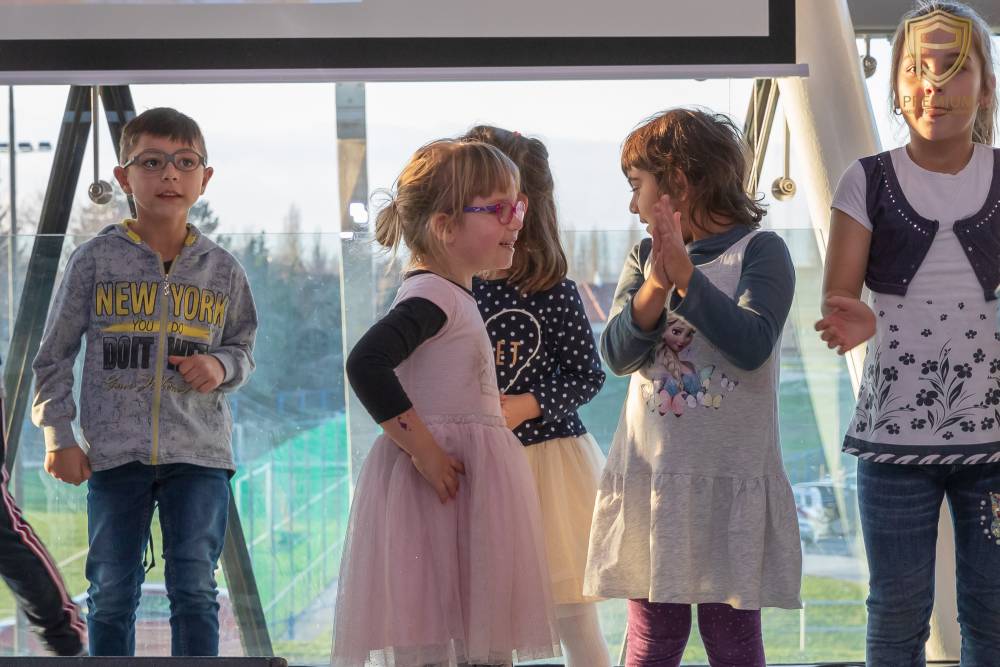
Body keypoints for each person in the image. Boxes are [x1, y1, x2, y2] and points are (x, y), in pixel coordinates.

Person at [31, 107, 257, 656]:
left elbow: (244, 348)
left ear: (205, 178)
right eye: (151, 162)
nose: (169, 174)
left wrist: (220, 367)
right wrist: (58, 436)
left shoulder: (223, 269)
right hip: (115, 456)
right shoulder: (93, 261)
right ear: (124, 176)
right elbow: (54, 357)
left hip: (200, 455)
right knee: (110, 592)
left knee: (195, 589)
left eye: (185, 163)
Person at [815, 2, 1000, 664]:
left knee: (994, 612)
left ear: (986, 85)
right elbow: (837, 297)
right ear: (895, 84)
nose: (934, 85)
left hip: (995, 444)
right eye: (918, 68)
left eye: (954, 68)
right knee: (896, 612)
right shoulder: (865, 180)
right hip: (892, 441)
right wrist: (854, 316)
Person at [585, 108, 801, 667]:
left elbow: (752, 344)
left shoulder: (762, 251)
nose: (632, 206)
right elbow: (617, 355)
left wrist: (686, 277)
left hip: (727, 482)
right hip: (655, 484)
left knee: (732, 640)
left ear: (677, 184)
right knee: (653, 639)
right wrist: (657, 283)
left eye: (636, 187)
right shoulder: (643, 258)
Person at [332, 139, 559, 667]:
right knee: (441, 636)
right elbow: (366, 362)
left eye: (518, 206)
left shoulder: (449, 294)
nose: (516, 220)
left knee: (468, 634)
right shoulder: (432, 296)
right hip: (439, 488)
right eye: (500, 209)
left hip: (459, 489)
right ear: (445, 226)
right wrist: (426, 452)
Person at [463, 125, 610, 667]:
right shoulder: (454, 288)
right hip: (479, 467)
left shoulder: (554, 291)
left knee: (575, 618)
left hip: (550, 470)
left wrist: (527, 405)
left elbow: (587, 375)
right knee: (487, 620)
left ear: (528, 208)